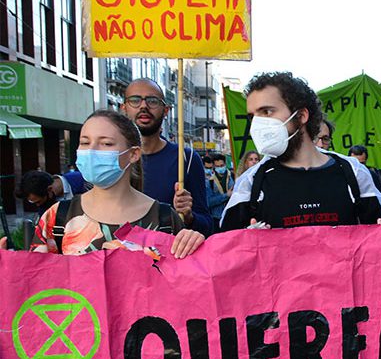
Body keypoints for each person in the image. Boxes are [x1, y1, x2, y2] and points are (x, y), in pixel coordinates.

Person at [220, 72, 381, 231]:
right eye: (252, 116)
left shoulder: (354, 174)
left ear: (301, 115)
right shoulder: (251, 183)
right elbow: (225, 248)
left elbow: (380, 241)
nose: (258, 124)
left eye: (267, 112)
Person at [28, 110, 204, 258]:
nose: (92, 150)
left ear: (133, 154)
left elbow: (182, 285)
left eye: (106, 143)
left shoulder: (164, 219)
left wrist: (193, 244)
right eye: (85, 142)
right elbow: (37, 284)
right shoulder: (57, 218)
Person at [120, 78, 213, 235]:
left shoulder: (187, 159)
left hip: (169, 255)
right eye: (135, 100)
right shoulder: (113, 158)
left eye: (153, 101)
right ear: (124, 108)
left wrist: (189, 216)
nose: (144, 106)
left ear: (166, 111)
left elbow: (207, 226)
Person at [16, 170, 89, 216]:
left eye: (39, 201)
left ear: (49, 189)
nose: (38, 205)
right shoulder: (45, 209)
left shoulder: (83, 181)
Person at [204, 153, 231, 222]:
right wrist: (226, 195)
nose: (220, 168)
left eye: (222, 165)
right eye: (217, 166)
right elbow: (209, 202)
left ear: (225, 164)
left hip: (231, 215)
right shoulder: (209, 182)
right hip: (217, 217)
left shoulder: (232, 177)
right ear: (214, 167)